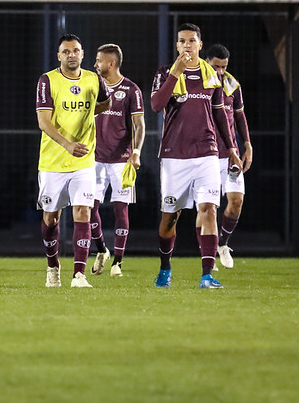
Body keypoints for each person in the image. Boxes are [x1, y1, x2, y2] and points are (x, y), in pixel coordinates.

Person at [150, 23, 242, 289]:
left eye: (192, 41)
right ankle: (165, 268)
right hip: (174, 156)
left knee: (209, 209)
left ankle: (206, 275)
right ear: (177, 46)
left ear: (200, 45)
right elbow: (156, 105)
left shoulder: (212, 75)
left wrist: (232, 149)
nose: (187, 45)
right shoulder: (165, 73)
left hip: (207, 154)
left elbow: (220, 115)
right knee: (170, 217)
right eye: (182, 41)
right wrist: (174, 75)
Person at [36, 33, 111, 288]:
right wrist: (67, 144)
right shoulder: (48, 80)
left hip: (83, 160)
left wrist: (90, 115)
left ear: (82, 54)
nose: (71, 55)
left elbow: (105, 101)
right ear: (59, 56)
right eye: (66, 51)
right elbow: (43, 121)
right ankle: (52, 265)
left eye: (76, 50)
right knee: (51, 219)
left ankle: (79, 275)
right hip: (53, 162)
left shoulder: (93, 79)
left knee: (83, 212)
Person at [90, 44, 145, 277]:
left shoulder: (131, 90)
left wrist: (137, 152)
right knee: (88, 208)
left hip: (122, 160)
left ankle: (117, 264)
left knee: (121, 210)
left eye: (98, 60)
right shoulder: (91, 87)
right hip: (94, 158)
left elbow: (139, 125)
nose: (95, 65)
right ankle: (102, 250)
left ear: (111, 64)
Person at [205, 43, 253, 269]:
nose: (220, 71)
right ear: (207, 62)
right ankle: (208, 255)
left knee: (236, 203)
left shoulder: (232, 84)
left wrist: (247, 144)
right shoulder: (200, 84)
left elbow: (240, 116)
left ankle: (222, 244)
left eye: (224, 67)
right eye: (216, 66)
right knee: (209, 207)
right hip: (206, 155)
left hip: (230, 154)